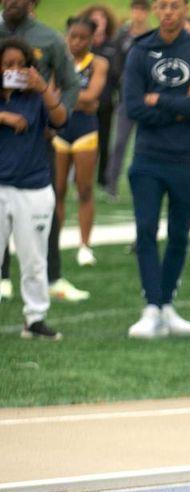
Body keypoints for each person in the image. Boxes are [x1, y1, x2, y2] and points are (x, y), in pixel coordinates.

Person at [124, 0, 190, 338]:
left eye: (174, 5)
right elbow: (133, 106)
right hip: (148, 158)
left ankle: (166, 305)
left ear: (185, 8)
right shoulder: (140, 51)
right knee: (146, 229)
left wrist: (158, 98)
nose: (167, 12)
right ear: (153, 10)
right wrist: (179, 105)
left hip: (186, 158)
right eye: (161, 5)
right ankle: (151, 306)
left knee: (179, 234)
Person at [0, 0, 84, 302]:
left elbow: (71, 84)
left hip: (35, 136)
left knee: (42, 208)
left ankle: (53, 276)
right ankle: (3, 277)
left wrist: (58, 119)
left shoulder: (49, 38)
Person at [0, 37, 67, 338]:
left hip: (34, 188)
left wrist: (42, 88)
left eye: (21, 65)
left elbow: (61, 118)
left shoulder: (38, 96)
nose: (15, 70)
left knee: (34, 258)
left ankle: (35, 317)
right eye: (8, 65)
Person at [52, 16, 108, 268]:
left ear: (92, 39)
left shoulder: (98, 63)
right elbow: (51, 94)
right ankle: (53, 243)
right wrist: (81, 100)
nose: (75, 42)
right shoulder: (57, 61)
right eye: (71, 36)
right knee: (58, 190)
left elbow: (93, 96)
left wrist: (64, 97)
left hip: (86, 130)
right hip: (60, 130)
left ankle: (85, 246)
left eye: (81, 37)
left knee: (84, 189)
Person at [103, 0, 151, 201]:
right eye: (135, 10)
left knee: (146, 144)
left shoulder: (153, 36)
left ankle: (145, 185)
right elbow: (115, 65)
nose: (138, 14)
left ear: (147, 13)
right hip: (127, 99)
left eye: (142, 10)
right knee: (120, 142)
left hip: (149, 100)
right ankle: (111, 183)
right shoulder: (122, 36)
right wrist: (126, 80)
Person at [78, 5, 118, 190]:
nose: (98, 22)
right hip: (81, 103)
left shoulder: (113, 46)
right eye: (94, 18)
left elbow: (118, 73)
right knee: (82, 141)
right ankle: (80, 178)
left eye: (101, 18)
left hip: (105, 102)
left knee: (104, 141)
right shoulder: (81, 44)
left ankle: (103, 179)